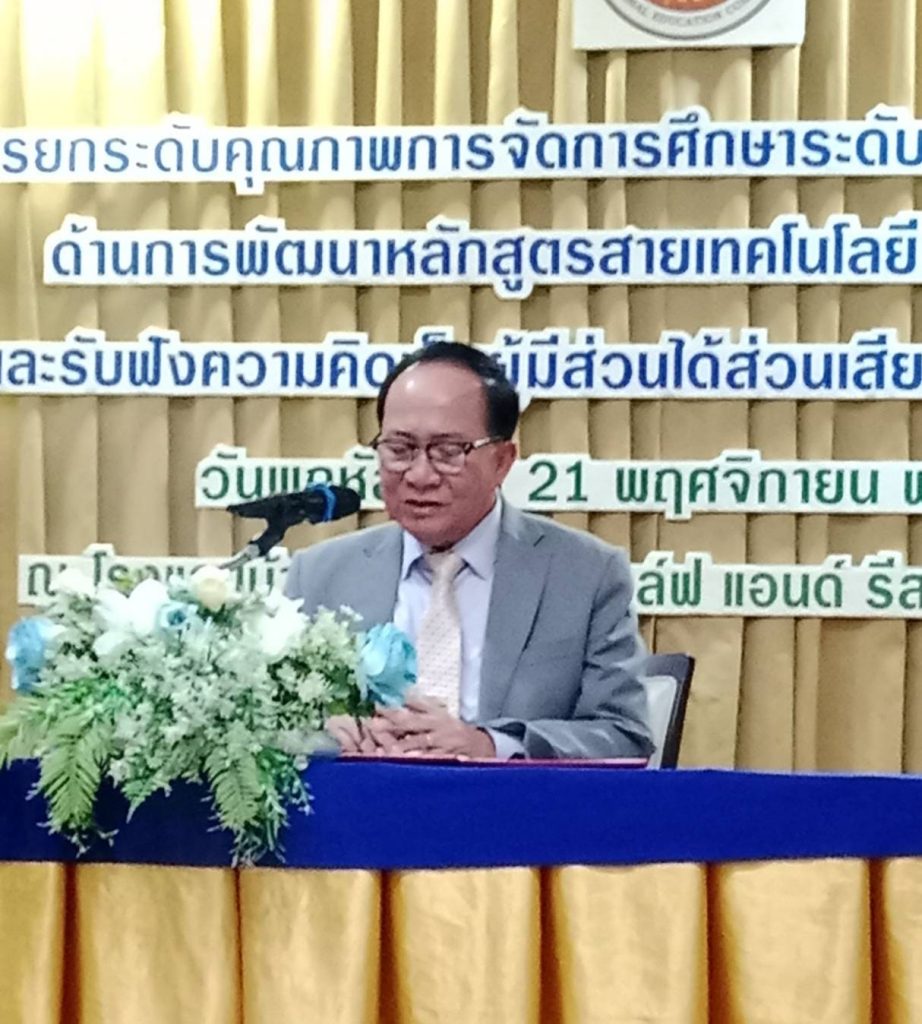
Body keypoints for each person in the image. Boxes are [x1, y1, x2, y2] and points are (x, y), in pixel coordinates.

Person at [284, 342, 653, 761]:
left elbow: (623, 735)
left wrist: (488, 745)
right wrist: (321, 736)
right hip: (362, 799)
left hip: (507, 802)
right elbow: (267, 728)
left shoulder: (586, 574)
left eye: (448, 453)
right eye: (400, 450)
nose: (420, 475)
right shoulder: (319, 575)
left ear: (502, 461)